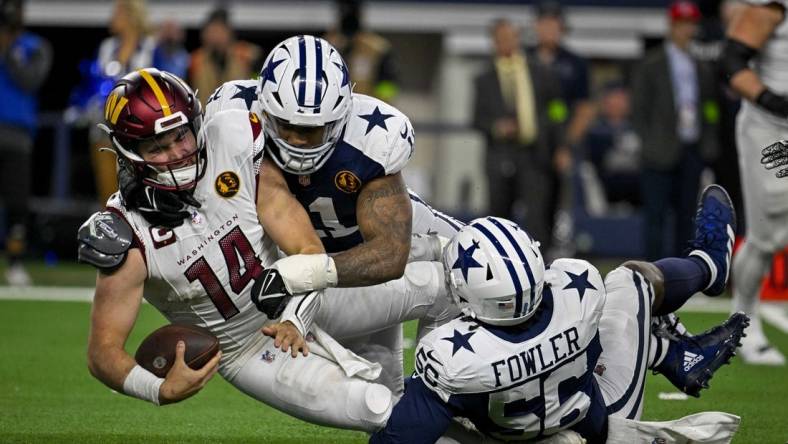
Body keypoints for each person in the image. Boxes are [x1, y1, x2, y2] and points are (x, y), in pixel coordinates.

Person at [79, 68, 457, 432]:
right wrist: (159, 390)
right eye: (157, 147)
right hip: (250, 350)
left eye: (181, 136)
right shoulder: (126, 234)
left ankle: (456, 400)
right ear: (128, 150)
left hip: (306, 296)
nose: (177, 153)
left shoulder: (232, 141)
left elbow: (306, 248)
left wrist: (296, 316)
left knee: (443, 284)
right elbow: (103, 352)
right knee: (374, 407)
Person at [371, 186, 746, 443]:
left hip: (545, 430)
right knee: (633, 280)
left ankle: (678, 356)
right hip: (599, 419)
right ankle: (707, 267)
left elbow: (398, 437)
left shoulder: (452, 360)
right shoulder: (576, 290)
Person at [204, 34, 463, 393]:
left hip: (391, 246)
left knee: (479, 264)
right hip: (333, 272)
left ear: (340, 117)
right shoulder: (234, 118)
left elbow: (390, 254)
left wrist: (305, 273)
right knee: (387, 399)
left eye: (310, 130)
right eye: (285, 125)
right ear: (263, 108)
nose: (295, 139)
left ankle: (450, 395)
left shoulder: (371, 139)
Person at [721, 0, 788, 365]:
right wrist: (774, 101)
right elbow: (730, 62)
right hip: (774, 131)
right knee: (768, 237)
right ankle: (742, 323)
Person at [631, 0, 720, 261]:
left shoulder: (701, 67)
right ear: (671, 26)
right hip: (658, 150)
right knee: (655, 216)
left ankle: (683, 273)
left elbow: (710, 108)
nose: (687, 31)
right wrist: (647, 142)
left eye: (691, 25)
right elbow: (638, 108)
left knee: (687, 216)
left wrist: (708, 143)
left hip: (691, 148)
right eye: (682, 25)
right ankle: (652, 274)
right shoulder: (651, 64)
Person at [472, 18, 562, 252]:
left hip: (535, 155)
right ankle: (499, 267)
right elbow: (476, 119)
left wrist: (557, 142)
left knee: (537, 217)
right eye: (501, 39)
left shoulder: (541, 71)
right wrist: (496, 127)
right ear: (494, 42)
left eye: (511, 38)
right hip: (500, 155)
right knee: (499, 219)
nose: (507, 44)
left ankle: (541, 268)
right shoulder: (484, 78)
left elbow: (557, 109)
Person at [0, 0, 51, 286]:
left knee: (17, 204)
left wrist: (8, 50)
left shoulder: (35, 46)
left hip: (17, 135)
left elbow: (31, 80)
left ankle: (15, 263)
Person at [324, 0, 399, 102]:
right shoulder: (326, 45)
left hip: (365, 111)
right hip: (330, 111)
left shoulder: (377, 48)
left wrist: (381, 107)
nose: (347, 13)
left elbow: (387, 83)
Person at [584, 81, 641, 207]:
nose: (619, 104)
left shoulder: (638, 129)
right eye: (615, 99)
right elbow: (596, 162)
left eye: (623, 99)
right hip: (607, 184)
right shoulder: (595, 131)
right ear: (605, 102)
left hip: (637, 184)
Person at [189, 7, 261, 107]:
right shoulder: (195, 59)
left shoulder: (245, 55)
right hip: (205, 116)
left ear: (229, 33)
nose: (216, 36)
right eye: (212, 31)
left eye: (219, 31)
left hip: (240, 113)